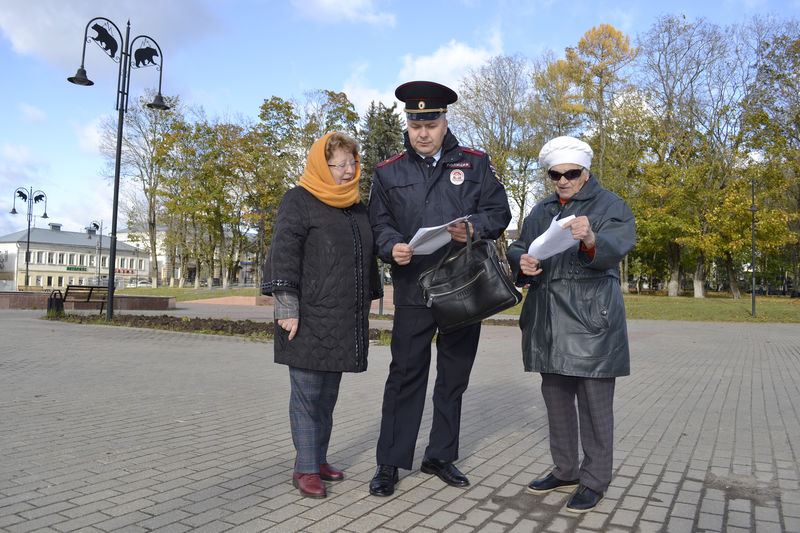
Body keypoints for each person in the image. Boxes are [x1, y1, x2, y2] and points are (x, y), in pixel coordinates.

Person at [368, 81, 512, 496]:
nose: (423, 132)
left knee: (453, 378)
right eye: (415, 123)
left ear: (445, 121)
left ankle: (441, 455)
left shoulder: (475, 163)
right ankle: (390, 463)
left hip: (464, 288)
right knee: (405, 375)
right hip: (414, 289)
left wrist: (474, 228)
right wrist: (389, 246)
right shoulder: (388, 171)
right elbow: (379, 224)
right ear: (408, 124)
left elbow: (498, 211)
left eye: (430, 122)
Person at [506, 136, 636, 513]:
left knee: (595, 406)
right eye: (555, 175)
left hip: (591, 319)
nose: (562, 181)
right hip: (548, 317)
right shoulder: (540, 209)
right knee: (557, 401)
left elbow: (619, 242)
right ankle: (565, 470)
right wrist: (522, 261)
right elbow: (520, 246)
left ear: (585, 172)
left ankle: (595, 480)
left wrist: (592, 239)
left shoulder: (611, 204)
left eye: (571, 174)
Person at [262, 132, 382, 499]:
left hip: (342, 319)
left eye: (352, 163)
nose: (348, 171)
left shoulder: (355, 207)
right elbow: (284, 253)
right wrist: (286, 307)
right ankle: (305, 468)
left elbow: (367, 257)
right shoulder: (298, 200)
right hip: (306, 318)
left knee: (326, 397)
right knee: (307, 397)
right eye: (339, 165)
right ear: (320, 165)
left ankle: (317, 457)